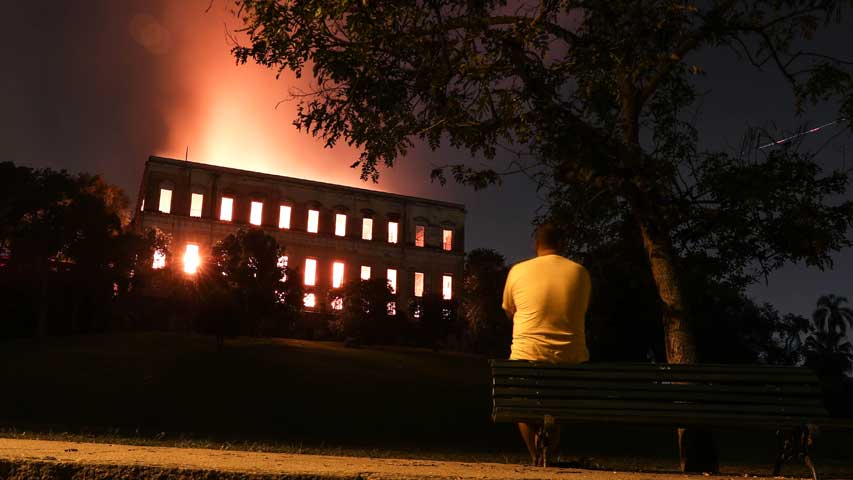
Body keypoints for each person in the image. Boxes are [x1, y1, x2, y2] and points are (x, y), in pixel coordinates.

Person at [501, 223, 591, 465]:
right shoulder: (580, 272)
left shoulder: (518, 271)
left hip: (526, 358)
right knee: (559, 408)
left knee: (521, 406)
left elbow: (509, 311)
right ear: (562, 244)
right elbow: (580, 310)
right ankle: (549, 452)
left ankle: (535, 457)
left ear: (536, 245)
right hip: (569, 361)